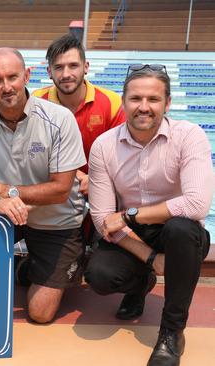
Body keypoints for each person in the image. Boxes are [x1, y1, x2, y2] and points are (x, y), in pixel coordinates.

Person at [85, 64, 213, 366]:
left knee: (181, 229)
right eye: (135, 99)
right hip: (135, 236)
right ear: (124, 101)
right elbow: (103, 219)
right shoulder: (104, 146)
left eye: (153, 99)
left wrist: (130, 215)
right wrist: (152, 259)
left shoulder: (189, 136)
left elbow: (196, 206)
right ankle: (141, 285)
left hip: (178, 233)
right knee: (99, 276)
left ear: (167, 103)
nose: (144, 107)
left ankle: (171, 331)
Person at [0, 48, 86, 324]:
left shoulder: (59, 120)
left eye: (12, 77)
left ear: (26, 76)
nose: (6, 86)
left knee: (40, 313)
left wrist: (5, 190)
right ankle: (27, 265)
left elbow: (61, 189)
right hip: (4, 219)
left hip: (56, 222)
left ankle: (41, 266)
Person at [33, 34, 125, 194]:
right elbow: (33, 154)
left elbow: (123, 155)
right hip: (53, 192)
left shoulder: (112, 102)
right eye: (59, 67)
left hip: (103, 189)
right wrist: (78, 176)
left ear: (86, 67)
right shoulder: (36, 102)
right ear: (49, 71)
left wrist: (96, 179)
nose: (66, 74)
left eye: (73, 66)